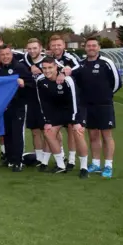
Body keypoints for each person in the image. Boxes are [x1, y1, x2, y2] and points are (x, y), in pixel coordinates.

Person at [75, 37, 122, 179]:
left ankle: (108, 165)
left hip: (104, 105)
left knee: (106, 135)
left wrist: (106, 95)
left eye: (94, 46)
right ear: (85, 48)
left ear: (98, 47)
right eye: (89, 46)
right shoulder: (80, 64)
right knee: (93, 135)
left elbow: (117, 83)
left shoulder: (106, 63)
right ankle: (95, 163)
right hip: (88, 106)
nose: (91, 48)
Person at [35, 57, 89, 179]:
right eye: (44, 68)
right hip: (57, 111)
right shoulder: (40, 80)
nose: (47, 71)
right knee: (48, 133)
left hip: (75, 109)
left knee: (78, 132)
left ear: (56, 67)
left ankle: (84, 167)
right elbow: (43, 102)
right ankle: (61, 165)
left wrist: (75, 121)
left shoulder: (67, 80)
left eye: (50, 68)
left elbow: (75, 100)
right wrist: (47, 121)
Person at [0, 44, 35, 172]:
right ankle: (9, 157)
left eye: (7, 54)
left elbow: (31, 84)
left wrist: (24, 83)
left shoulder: (20, 67)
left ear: (11, 54)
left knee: (17, 133)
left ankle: (18, 161)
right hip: (5, 107)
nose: (5, 57)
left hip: (18, 106)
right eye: (2, 55)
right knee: (7, 133)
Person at [48, 34, 82, 170]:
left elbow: (79, 68)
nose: (56, 47)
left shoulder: (70, 58)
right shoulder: (49, 59)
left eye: (59, 45)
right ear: (50, 46)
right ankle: (60, 156)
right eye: (53, 45)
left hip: (69, 99)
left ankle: (72, 160)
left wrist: (66, 71)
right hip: (55, 99)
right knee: (53, 129)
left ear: (64, 46)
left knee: (71, 129)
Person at [21, 38, 48, 165]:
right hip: (30, 102)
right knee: (35, 131)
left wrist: (42, 70)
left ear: (41, 48)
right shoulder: (23, 63)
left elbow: (61, 71)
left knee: (48, 131)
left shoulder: (48, 62)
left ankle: (59, 155)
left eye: (35, 48)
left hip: (46, 103)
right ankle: (39, 158)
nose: (32, 51)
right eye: (29, 48)